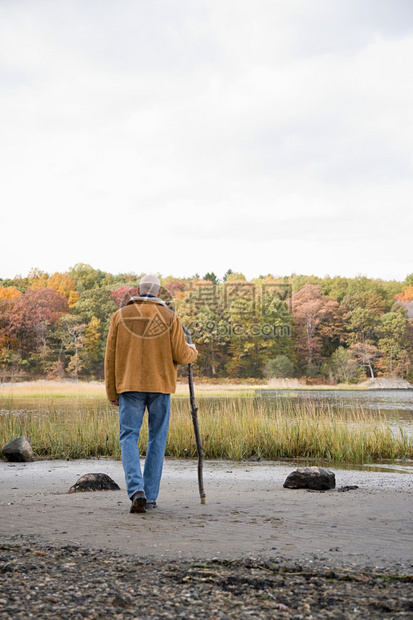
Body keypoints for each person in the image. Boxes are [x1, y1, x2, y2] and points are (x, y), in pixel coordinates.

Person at [105, 274, 197, 513]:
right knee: (157, 438)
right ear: (158, 292)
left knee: (128, 437)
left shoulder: (120, 316)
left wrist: (111, 392)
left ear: (138, 290)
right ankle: (152, 495)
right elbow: (181, 355)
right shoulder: (169, 317)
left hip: (129, 386)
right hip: (160, 386)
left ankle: (137, 490)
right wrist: (193, 351)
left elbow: (110, 359)